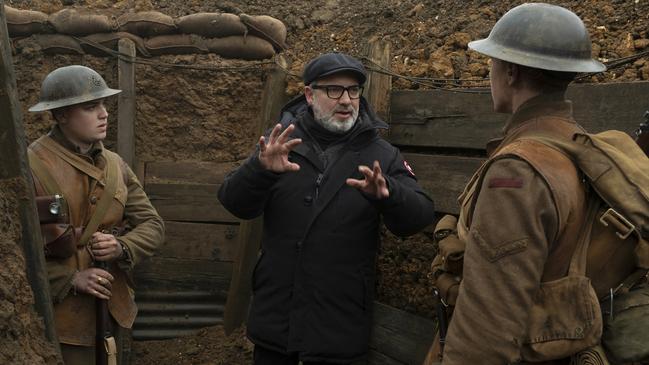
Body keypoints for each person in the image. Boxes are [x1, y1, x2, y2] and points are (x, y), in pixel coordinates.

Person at [436, 3, 638, 364]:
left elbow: (486, 333)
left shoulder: (517, 172)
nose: (491, 72)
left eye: (493, 62)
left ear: (510, 72)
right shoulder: (575, 144)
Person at [218, 52, 435, 364]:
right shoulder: (280, 143)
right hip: (275, 326)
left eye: (353, 90)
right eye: (334, 90)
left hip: (338, 329)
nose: (346, 100)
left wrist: (389, 195)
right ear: (309, 94)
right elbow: (233, 202)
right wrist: (259, 169)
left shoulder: (381, 154)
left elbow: (420, 215)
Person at [28, 65, 165, 364]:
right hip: (59, 321)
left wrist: (122, 247)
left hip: (113, 310)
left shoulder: (116, 166)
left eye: (104, 104)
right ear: (61, 115)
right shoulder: (30, 167)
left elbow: (153, 225)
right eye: (91, 107)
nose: (104, 113)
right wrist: (70, 279)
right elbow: (11, 251)